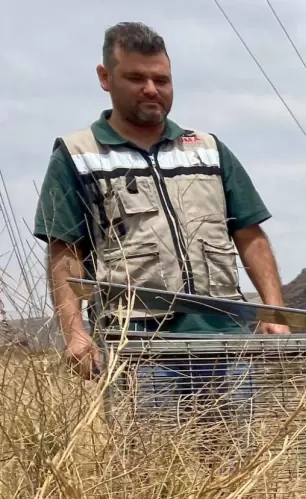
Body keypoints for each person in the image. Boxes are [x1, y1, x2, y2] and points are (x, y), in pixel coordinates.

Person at [33, 21, 289, 420]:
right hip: (138, 347)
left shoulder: (208, 149)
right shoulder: (77, 154)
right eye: (136, 77)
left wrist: (274, 311)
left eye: (161, 79)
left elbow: (250, 233)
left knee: (240, 464)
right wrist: (75, 334)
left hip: (227, 340)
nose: (151, 89)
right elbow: (65, 249)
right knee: (155, 471)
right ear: (105, 78)